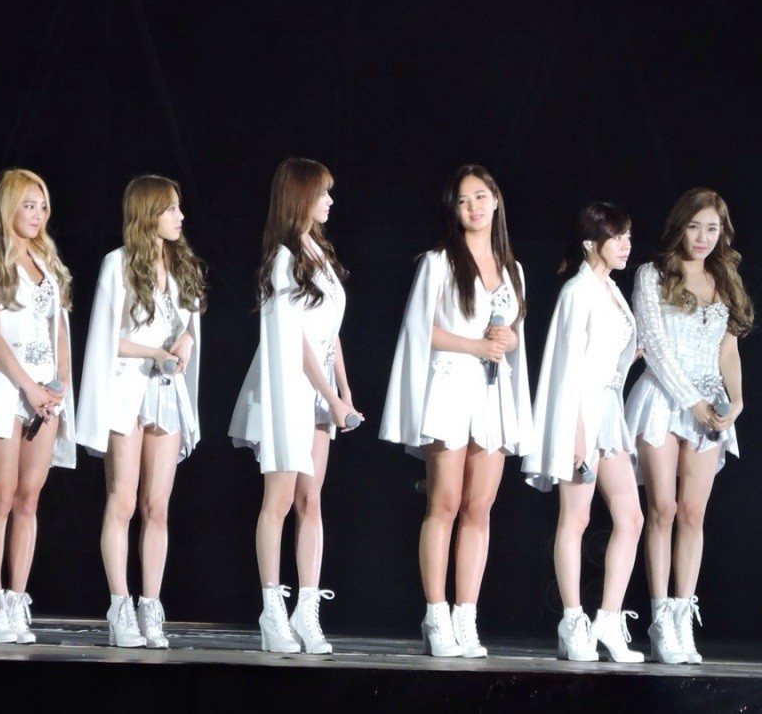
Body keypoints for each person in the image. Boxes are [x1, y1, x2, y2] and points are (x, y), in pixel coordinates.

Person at [379, 165, 534, 658]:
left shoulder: (512, 268)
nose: (474, 207)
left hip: (491, 392)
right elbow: (419, 329)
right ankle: (436, 614)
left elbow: (513, 336)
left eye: (481, 197)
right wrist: (474, 345)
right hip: (449, 386)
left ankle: (467, 616)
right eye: (464, 200)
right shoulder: (439, 262)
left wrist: (507, 339)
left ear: (496, 200)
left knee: (479, 507)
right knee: (443, 503)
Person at [229, 157, 361, 655]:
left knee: (311, 500)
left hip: (320, 395)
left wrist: (343, 391)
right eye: (322, 193)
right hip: (289, 391)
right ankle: (272, 611)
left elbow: (330, 334)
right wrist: (331, 397)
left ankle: (308, 611)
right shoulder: (284, 259)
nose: (330, 201)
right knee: (280, 500)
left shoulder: (319, 254)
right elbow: (297, 342)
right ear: (301, 196)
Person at [623, 188, 752, 664]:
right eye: (695, 226)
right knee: (663, 507)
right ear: (680, 226)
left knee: (693, 514)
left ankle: (682, 617)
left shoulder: (724, 279)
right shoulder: (652, 274)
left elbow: (728, 349)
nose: (702, 237)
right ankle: (659, 620)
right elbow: (654, 348)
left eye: (712, 228)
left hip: (709, 405)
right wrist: (691, 402)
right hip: (663, 400)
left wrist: (736, 400)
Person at [77, 175, 205, 649]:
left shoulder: (181, 263)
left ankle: (151, 605)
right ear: (148, 213)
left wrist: (185, 340)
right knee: (123, 500)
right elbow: (105, 338)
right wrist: (154, 352)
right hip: (127, 389)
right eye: (170, 208)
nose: (179, 216)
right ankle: (120, 606)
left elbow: (189, 323)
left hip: (165, 391)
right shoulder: (118, 263)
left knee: (157, 505)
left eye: (178, 208)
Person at [0, 168, 76, 644]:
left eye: (42, 206)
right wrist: (28, 386)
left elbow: (58, 329)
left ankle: (18, 599)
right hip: (6, 388)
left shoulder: (47, 261)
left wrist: (58, 385)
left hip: (45, 395)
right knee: (0, 497)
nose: (37, 214)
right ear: (8, 207)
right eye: (28, 205)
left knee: (29, 499)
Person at [520, 202, 645, 663]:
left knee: (631, 518)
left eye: (628, 237)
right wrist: (575, 435)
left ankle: (608, 620)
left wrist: (628, 358)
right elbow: (568, 367)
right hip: (580, 415)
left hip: (607, 409)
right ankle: (573, 620)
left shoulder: (611, 290)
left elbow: (608, 356)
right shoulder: (578, 291)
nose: (626, 245)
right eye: (617, 237)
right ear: (593, 243)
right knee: (576, 518)